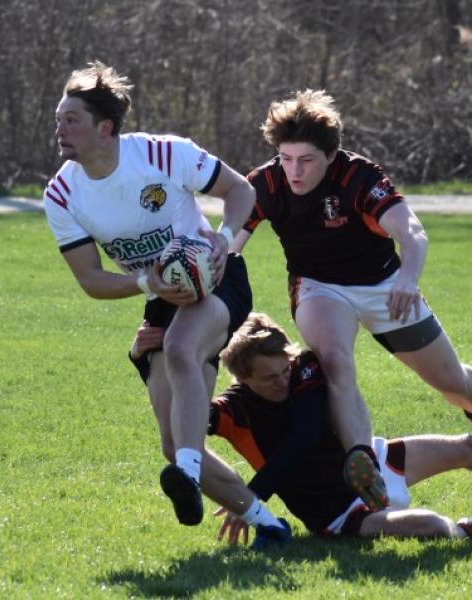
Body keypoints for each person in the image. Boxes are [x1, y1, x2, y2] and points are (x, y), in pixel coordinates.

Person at [231, 90, 472, 510]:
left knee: (453, 383)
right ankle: (362, 461)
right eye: (286, 158)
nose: (294, 170)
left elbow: (411, 231)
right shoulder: (266, 183)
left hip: (386, 287)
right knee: (335, 362)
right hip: (319, 287)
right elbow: (230, 243)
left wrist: (408, 280)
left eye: (305, 160)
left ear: (331, 155)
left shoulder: (358, 176)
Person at [43, 61, 290, 541]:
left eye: (71, 120)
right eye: (58, 120)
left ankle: (189, 475)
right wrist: (148, 285)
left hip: (216, 280)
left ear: (105, 128)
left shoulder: (163, 153)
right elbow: (90, 279)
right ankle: (269, 525)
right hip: (161, 296)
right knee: (174, 442)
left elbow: (240, 190)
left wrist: (223, 241)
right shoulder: (62, 194)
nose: (60, 130)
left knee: (180, 349)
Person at [132, 314, 472, 542]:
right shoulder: (232, 410)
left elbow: (307, 432)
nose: (282, 381)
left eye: (283, 369)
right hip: (336, 511)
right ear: (242, 378)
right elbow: (176, 417)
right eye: (269, 378)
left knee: (468, 447)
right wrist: (142, 361)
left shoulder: (304, 368)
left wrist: (253, 494)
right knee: (432, 527)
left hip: (366, 462)